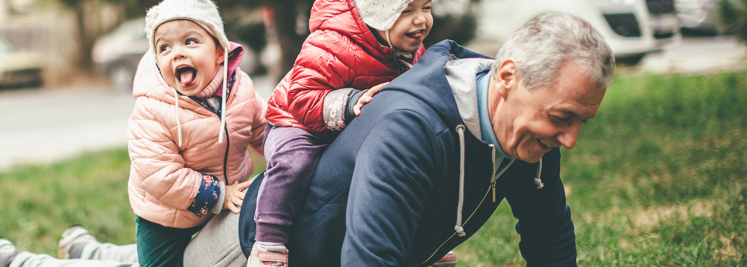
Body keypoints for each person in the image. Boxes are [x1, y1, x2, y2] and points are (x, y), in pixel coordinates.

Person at [239, 12, 616, 266]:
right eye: (562, 118)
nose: (571, 139)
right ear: (506, 77)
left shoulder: (532, 131)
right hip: (267, 248)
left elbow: (547, 236)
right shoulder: (410, 128)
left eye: (582, 120)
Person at [0, 0, 266, 266]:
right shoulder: (153, 108)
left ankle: (89, 250)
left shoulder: (241, 89)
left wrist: (287, 151)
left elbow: (261, 128)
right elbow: (158, 174)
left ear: (220, 51)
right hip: (166, 216)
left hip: (224, 200)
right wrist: (218, 194)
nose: (177, 52)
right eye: (164, 48)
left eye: (190, 41)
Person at [250, 0, 443, 266]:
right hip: (297, 122)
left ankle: (423, 236)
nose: (421, 20)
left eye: (427, 7)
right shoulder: (331, 42)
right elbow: (302, 97)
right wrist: (352, 102)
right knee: (294, 162)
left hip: (349, 127)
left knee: (405, 163)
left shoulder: (410, 50)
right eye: (407, 11)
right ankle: (268, 243)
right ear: (377, 14)